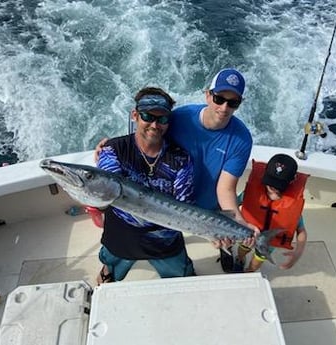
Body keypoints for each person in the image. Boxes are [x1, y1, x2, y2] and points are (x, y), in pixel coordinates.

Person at [94, 68, 257, 267]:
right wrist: (110, 148)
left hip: (208, 204)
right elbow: (145, 137)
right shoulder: (180, 118)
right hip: (167, 199)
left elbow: (226, 188)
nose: (224, 108)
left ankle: (225, 245)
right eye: (219, 98)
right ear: (208, 95)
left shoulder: (241, 139)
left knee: (222, 234)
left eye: (233, 103)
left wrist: (238, 222)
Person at [96, 87, 196, 283]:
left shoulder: (181, 159)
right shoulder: (112, 149)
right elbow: (105, 190)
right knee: (107, 274)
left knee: (185, 281)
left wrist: (215, 232)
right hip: (120, 237)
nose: (154, 124)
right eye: (147, 116)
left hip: (164, 241)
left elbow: (186, 207)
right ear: (135, 115)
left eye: (162, 119)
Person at [234, 154, 309, 272]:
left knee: (257, 261)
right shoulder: (249, 194)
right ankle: (240, 258)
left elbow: (301, 231)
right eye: (270, 181)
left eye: (278, 184)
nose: (273, 187)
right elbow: (232, 206)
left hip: (269, 244)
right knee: (243, 249)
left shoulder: (292, 204)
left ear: (292, 181)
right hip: (248, 235)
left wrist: (297, 254)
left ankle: (249, 270)